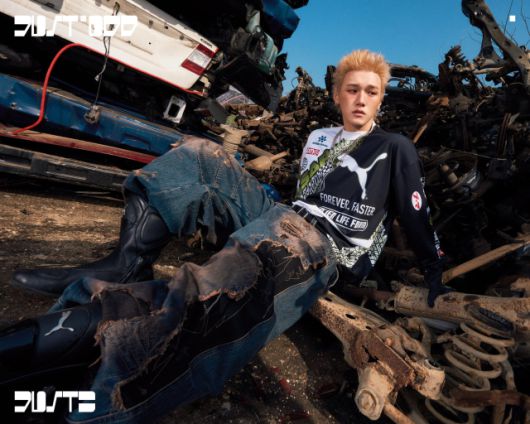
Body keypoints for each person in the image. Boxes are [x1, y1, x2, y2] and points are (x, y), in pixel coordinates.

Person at [2, 50, 448, 423]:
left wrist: (433, 268)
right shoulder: (319, 137)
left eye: (371, 91)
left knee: (216, 291)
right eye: (352, 89)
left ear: (381, 97)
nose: (361, 99)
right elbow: (304, 197)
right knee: (199, 153)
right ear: (337, 94)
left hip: (322, 245)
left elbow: (416, 212)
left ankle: (86, 392)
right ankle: (126, 262)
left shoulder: (394, 147)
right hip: (287, 215)